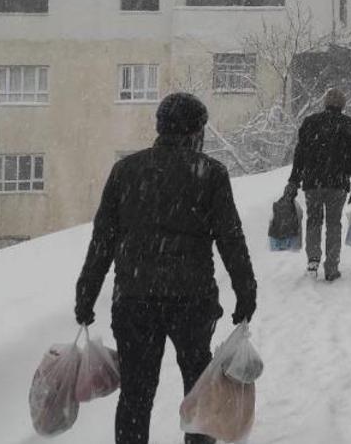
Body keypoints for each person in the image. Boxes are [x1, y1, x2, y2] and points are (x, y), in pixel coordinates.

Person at [74, 92, 257, 444]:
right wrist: (245, 290)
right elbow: (230, 237)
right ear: (196, 130)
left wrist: (86, 294)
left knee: (135, 396)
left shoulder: (125, 171)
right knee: (200, 390)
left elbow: (102, 241)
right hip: (191, 300)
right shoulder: (209, 173)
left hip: (134, 300)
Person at [284, 88, 351, 282]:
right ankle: (332, 267)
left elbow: (299, 154)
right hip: (338, 184)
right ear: (343, 105)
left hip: (313, 183)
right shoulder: (350, 125)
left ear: (325, 103)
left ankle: (313, 259)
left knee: (314, 221)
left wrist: (294, 181)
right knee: (334, 224)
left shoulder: (310, 123)